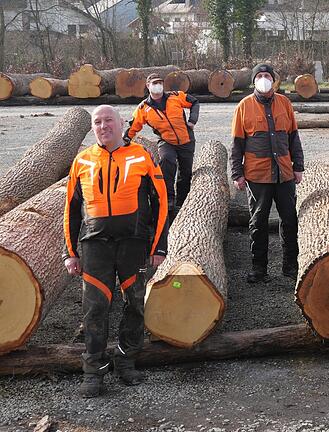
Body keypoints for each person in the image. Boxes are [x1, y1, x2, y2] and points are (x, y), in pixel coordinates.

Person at [64, 105, 169, 398]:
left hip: (133, 244)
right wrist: (70, 252)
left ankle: (126, 361)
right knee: (95, 308)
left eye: (108, 120)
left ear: (121, 123)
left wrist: (159, 245)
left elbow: (161, 202)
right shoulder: (82, 160)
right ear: (92, 128)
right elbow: (71, 210)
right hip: (94, 245)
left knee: (134, 304)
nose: (102, 126)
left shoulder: (142, 156)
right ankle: (93, 370)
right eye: (97, 122)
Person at [230, 63, 304, 283]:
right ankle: (259, 268)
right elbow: (237, 143)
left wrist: (297, 166)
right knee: (258, 222)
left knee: (289, 220)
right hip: (257, 176)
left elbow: (293, 138)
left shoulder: (285, 103)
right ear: (254, 81)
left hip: (284, 174)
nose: (264, 79)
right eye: (260, 76)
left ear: (273, 80)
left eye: (267, 76)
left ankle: (290, 266)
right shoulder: (244, 106)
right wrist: (237, 173)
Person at [124, 73, 200, 216]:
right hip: (166, 141)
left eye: (160, 82)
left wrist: (192, 120)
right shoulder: (144, 108)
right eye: (154, 83)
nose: (157, 85)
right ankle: (169, 198)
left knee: (186, 172)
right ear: (148, 86)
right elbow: (134, 125)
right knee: (167, 161)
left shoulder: (175, 96)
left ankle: (183, 201)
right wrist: (125, 140)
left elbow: (194, 102)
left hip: (186, 139)